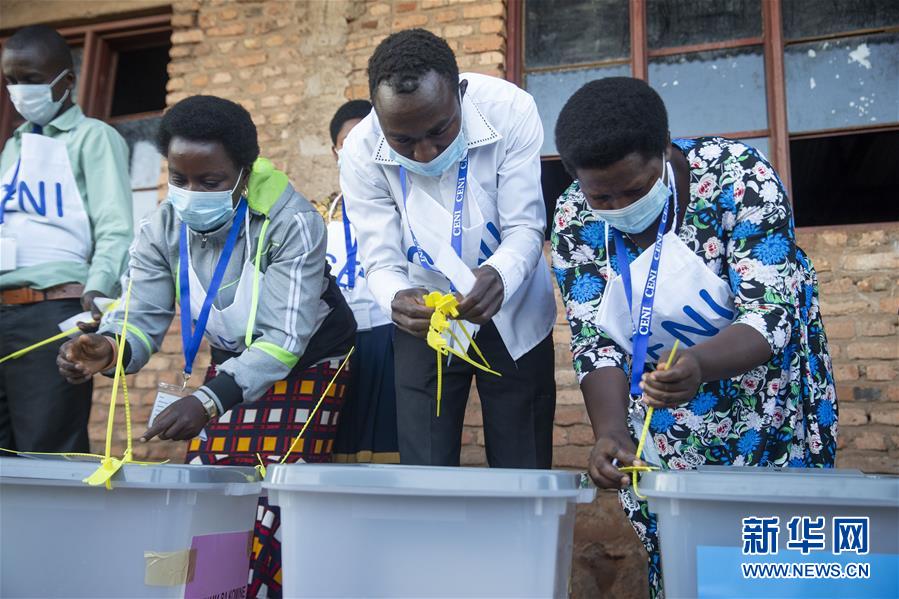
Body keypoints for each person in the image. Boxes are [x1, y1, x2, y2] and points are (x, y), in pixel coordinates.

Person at [56, 95, 356, 598]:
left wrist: (209, 399)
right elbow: (142, 313)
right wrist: (110, 347)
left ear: (243, 174)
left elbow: (285, 338)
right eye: (180, 178)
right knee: (210, 490)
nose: (191, 193)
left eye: (210, 182)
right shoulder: (161, 227)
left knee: (274, 499)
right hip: (231, 365)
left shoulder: (292, 221)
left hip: (309, 363)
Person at [551, 77, 837, 597]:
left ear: (664, 149)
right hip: (666, 415)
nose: (619, 205)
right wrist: (610, 431)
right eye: (601, 195)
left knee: (775, 553)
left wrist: (700, 366)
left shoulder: (737, 178)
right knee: (685, 555)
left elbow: (770, 313)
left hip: (765, 396)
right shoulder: (575, 220)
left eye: (634, 189)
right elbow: (595, 339)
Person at [340, 29, 556, 468]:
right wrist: (396, 297)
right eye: (402, 140)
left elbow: (525, 226)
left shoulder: (510, 110)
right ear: (379, 117)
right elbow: (380, 259)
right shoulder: (360, 151)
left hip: (510, 303)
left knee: (523, 465)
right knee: (425, 465)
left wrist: (500, 275)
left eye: (440, 131)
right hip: (426, 316)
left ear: (460, 93)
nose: (424, 152)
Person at [0, 25, 132, 453]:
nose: (20, 90)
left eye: (31, 79)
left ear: (67, 81)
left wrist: (99, 288)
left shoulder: (94, 137)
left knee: (46, 448)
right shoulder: (14, 145)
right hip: (3, 304)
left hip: (52, 308)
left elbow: (115, 225)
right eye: (11, 80)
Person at [328, 99, 400, 464]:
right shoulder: (318, 216)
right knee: (338, 432)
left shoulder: (400, 206)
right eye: (348, 141)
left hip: (390, 333)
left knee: (391, 433)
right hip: (339, 340)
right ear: (335, 151)